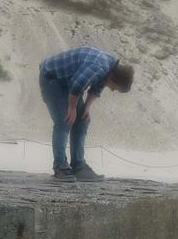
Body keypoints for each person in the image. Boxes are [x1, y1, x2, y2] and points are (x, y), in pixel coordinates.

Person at [38, 46, 134, 181]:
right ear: (113, 78)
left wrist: (86, 108)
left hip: (68, 82)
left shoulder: (109, 68)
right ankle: (60, 166)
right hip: (52, 78)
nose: (112, 90)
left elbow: (96, 89)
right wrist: (71, 108)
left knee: (82, 120)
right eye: (115, 88)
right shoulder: (99, 67)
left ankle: (78, 166)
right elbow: (77, 85)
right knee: (65, 120)